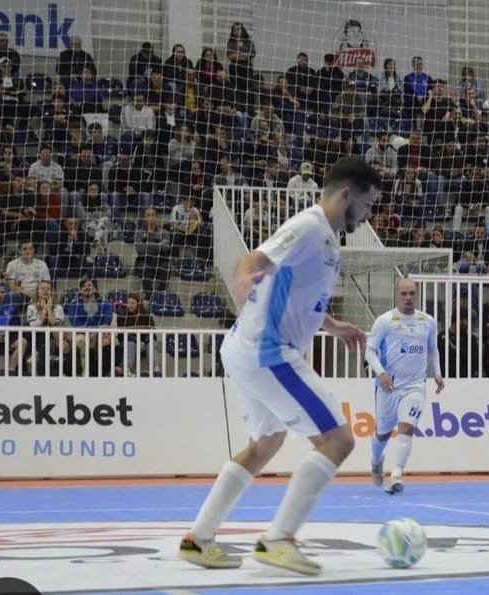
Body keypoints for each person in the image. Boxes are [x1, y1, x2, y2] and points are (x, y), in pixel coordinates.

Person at [178, 157, 376, 574]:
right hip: (267, 350)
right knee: (338, 442)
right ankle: (278, 539)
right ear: (346, 196)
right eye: (368, 204)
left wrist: (332, 324)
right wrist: (244, 275)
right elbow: (256, 260)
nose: (369, 214)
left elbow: (295, 292)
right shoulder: (308, 227)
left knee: (265, 443)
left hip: (246, 349)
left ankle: (199, 539)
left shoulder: (327, 239)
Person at [364, 278, 445, 495]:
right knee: (382, 434)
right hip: (388, 387)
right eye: (404, 294)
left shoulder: (427, 321)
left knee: (407, 427)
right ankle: (376, 460)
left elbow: (432, 349)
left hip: (415, 385)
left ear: (416, 295)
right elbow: (369, 352)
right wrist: (380, 373)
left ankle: (397, 475)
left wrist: (436, 372)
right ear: (396, 295)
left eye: (412, 293)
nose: (408, 298)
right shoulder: (385, 321)